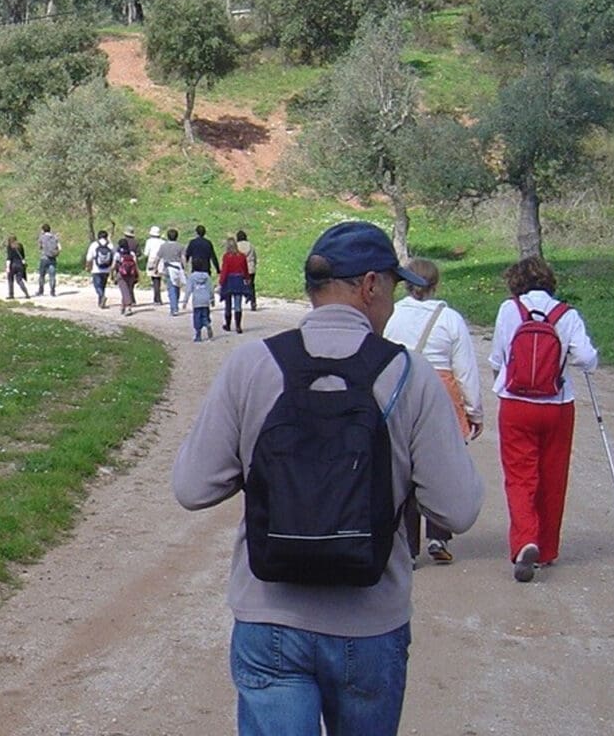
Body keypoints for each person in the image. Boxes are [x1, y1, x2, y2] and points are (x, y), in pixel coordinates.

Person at [173, 220, 483, 736]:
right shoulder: (408, 374)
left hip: (269, 617)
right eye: (392, 287)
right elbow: (457, 509)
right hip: (368, 625)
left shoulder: (252, 365)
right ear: (370, 285)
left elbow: (193, 487)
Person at [488, 255, 599, 583]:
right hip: (557, 404)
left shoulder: (509, 310)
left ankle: (526, 540)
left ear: (515, 282)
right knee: (553, 475)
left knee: (520, 477)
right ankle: (547, 548)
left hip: (515, 404)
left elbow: (497, 357)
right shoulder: (567, 314)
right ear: (550, 282)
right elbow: (587, 359)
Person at [383, 257, 483, 565]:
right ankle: (439, 536)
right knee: (442, 463)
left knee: (404, 465)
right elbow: (465, 368)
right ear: (435, 285)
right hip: (442, 390)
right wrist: (473, 410)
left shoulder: (392, 314)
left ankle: (409, 545)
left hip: (401, 386)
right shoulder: (450, 318)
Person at [220, 235, 250, 334]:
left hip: (229, 280)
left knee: (228, 304)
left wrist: (221, 281)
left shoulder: (226, 257)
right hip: (238, 280)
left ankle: (228, 325)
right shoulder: (242, 256)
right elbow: (245, 269)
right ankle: (238, 326)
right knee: (238, 305)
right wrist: (247, 278)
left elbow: (225, 270)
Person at [157, 228, 187, 316]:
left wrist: (155, 267)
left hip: (168, 269)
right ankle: (175, 305)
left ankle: (174, 308)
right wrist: (184, 267)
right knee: (177, 287)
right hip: (178, 268)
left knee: (171, 288)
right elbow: (183, 258)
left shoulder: (163, 246)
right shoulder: (180, 246)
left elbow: (158, 258)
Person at [85, 231, 116, 309]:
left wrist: (88, 266)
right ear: (106, 236)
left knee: (97, 286)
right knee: (103, 285)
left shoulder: (94, 245)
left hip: (96, 269)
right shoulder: (110, 245)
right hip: (107, 269)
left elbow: (89, 258)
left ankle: (102, 296)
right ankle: (101, 302)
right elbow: (115, 256)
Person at [186, 265, 215, 341]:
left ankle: (198, 335)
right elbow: (211, 288)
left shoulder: (192, 277)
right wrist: (212, 299)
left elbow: (188, 289)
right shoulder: (207, 276)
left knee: (197, 318)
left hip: (197, 301)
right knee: (205, 315)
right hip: (206, 300)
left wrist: (185, 301)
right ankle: (207, 324)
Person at [115, 237, 141, 316]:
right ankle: (123, 306)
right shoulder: (132, 253)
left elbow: (114, 264)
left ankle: (128, 307)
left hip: (121, 274)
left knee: (124, 290)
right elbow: (135, 264)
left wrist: (112, 273)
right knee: (128, 290)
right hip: (131, 274)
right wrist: (138, 274)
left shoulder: (118, 254)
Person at [36, 224, 61, 296]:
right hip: (53, 258)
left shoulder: (42, 237)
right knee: (52, 276)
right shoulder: (54, 237)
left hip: (44, 258)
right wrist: (56, 253)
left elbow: (40, 247)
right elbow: (60, 248)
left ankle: (41, 291)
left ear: (43, 230)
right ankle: (52, 291)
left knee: (42, 275)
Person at [237, 230, 259, 311]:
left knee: (240, 285)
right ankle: (253, 301)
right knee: (251, 285)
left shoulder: (237, 246)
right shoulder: (251, 246)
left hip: (241, 269)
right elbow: (254, 256)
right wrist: (254, 264)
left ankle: (247, 295)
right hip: (251, 267)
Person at [144, 225, 166, 305]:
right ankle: (158, 298)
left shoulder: (149, 241)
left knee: (154, 279)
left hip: (152, 260)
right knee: (158, 279)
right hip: (160, 261)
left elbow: (146, 253)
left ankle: (156, 298)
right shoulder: (163, 242)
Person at [5, 235, 30, 299]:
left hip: (12, 265)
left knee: (10, 279)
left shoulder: (9, 246)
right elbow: (23, 256)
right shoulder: (20, 245)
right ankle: (26, 293)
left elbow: (9, 258)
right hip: (20, 264)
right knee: (19, 280)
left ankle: (11, 294)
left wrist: (7, 267)